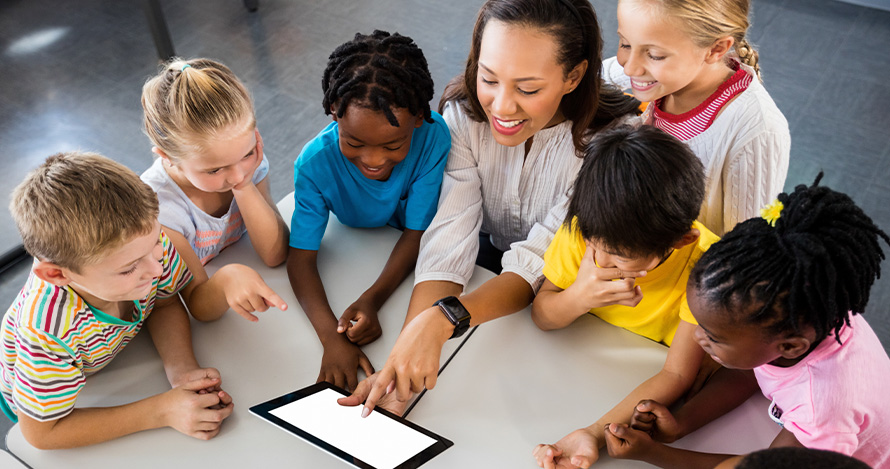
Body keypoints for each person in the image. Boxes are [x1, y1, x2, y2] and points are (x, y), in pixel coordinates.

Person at [339, 0, 641, 415]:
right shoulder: (462, 115)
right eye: (488, 78)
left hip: (563, 293)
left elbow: (538, 259)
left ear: (573, 76)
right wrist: (405, 353)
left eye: (528, 89)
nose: (500, 107)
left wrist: (442, 320)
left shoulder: (613, 144)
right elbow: (450, 236)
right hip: (488, 260)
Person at [599, 175, 890, 468]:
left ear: (790, 346)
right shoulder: (804, 312)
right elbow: (751, 372)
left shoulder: (821, 406)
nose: (697, 337)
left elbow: (765, 466)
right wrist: (682, 423)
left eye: (714, 337)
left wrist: (654, 455)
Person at [1, 152, 236, 448]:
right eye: (128, 269)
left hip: (109, 360)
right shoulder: (45, 332)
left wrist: (182, 371)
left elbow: (162, 301)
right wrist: (161, 411)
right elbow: (42, 433)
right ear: (57, 275)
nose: (156, 268)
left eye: (156, 244)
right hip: (50, 398)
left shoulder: (141, 247)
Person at [286, 30, 450, 391]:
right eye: (353, 142)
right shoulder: (314, 165)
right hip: (357, 251)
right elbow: (300, 259)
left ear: (420, 117)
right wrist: (332, 337)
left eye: (393, 144)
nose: (374, 160)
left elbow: (416, 231)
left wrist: (372, 298)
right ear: (334, 113)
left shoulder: (435, 136)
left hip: (402, 253)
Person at [603, 0, 790, 236]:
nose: (630, 68)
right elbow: (596, 76)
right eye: (625, 44)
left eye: (655, 55)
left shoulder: (758, 129)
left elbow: (745, 247)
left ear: (716, 49)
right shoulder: (655, 72)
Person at [531, 125, 718, 346]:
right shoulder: (586, 228)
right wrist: (579, 298)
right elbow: (541, 316)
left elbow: (678, 373)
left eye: (620, 256)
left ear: (681, 240)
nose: (598, 260)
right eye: (592, 244)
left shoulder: (707, 268)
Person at [141, 57, 288, 322]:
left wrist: (244, 188)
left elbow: (275, 253)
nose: (238, 174)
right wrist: (228, 279)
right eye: (214, 170)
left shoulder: (245, 165)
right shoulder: (160, 209)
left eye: (247, 154)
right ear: (167, 156)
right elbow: (198, 304)